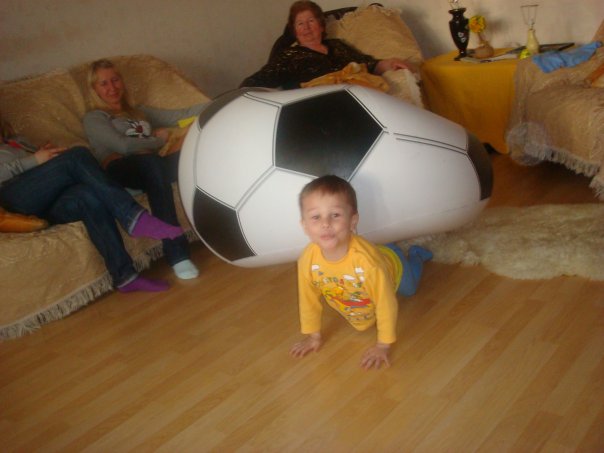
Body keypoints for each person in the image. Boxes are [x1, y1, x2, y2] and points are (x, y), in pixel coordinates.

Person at [0, 115, 185, 293]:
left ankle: (125, 276)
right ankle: (132, 217)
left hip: (45, 200)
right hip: (15, 202)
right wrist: (34, 160)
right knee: (77, 155)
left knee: (87, 195)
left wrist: (46, 157)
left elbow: (36, 172)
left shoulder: (16, 140)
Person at [83, 58, 209, 280]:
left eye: (115, 80)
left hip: (153, 166)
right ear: (94, 89)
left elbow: (181, 115)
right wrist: (157, 141)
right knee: (152, 163)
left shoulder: (138, 112)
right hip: (120, 168)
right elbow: (122, 146)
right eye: (104, 83)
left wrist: (216, 104)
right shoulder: (95, 118)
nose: (112, 87)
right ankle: (178, 255)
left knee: (196, 151)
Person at [290, 175, 433, 370]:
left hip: (393, 267)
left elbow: (385, 304)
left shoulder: (368, 265)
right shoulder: (307, 261)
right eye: (316, 217)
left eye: (335, 215)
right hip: (369, 269)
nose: (326, 223)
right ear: (305, 226)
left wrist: (383, 345)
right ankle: (387, 246)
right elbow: (308, 300)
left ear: (353, 221)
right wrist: (313, 336)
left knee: (410, 290)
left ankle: (413, 254)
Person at [240, 1, 416, 89]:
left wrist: (390, 63)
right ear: (294, 30)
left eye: (311, 21)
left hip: (358, 97)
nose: (306, 27)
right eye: (300, 23)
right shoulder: (288, 55)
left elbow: (367, 64)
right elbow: (254, 82)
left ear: (321, 25)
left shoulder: (337, 45)